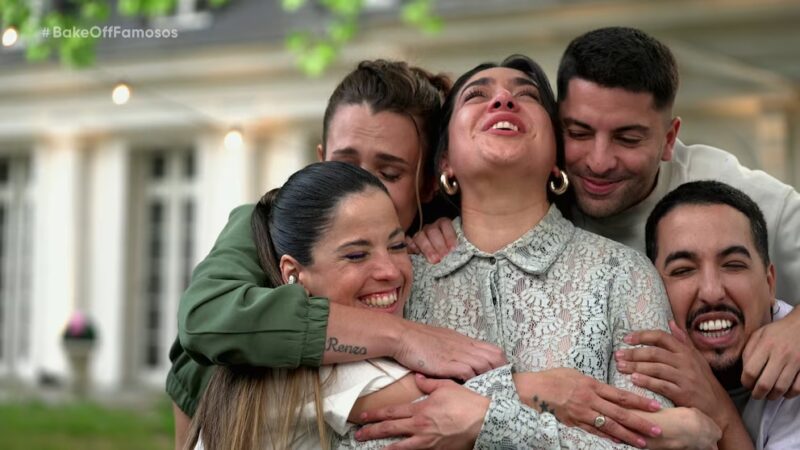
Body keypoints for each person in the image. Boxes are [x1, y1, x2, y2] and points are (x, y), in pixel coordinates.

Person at [414, 26, 800, 405]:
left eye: (627, 139)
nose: (599, 163)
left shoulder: (735, 192)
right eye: (579, 133)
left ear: (669, 139)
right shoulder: (426, 260)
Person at [354, 54, 721, 450]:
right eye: (477, 96)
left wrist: (483, 420)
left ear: (556, 160)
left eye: (526, 95)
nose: (503, 101)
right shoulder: (398, 278)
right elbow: (361, 438)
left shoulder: (623, 273)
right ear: (445, 162)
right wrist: (529, 403)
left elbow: (651, 440)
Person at [167, 60, 505, 449]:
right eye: (345, 164)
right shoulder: (266, 223)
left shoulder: (447, 240)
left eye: (389, 173)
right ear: (321, 158)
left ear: (429, 183)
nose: (361, 187)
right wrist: (402, 336)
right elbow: (206, 319)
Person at [616, 180, 800, 449]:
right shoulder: (629, 358)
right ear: (651, 289)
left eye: (733, 265)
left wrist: (719, 413)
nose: (712, 292)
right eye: (683, 270)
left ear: (770, 283)